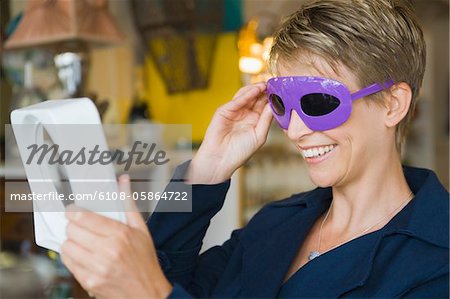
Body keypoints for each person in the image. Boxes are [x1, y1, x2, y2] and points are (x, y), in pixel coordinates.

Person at [60, 0, 449, 298]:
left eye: (317, 102)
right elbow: (164, 276)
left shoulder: (437, 264)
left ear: (393, 104)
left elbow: (151, 287)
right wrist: (206, 173)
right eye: (282, 104)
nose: (295, 131)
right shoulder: (275, 222)